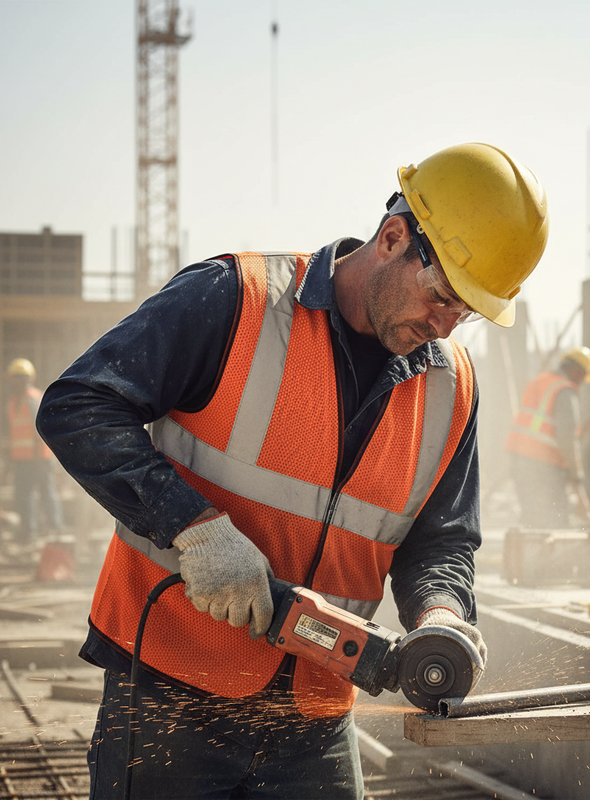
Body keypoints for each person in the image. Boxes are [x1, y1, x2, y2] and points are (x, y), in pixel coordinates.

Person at [36, 142, 549, 800]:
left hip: (315, 714)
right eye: (443, 296)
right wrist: (192, 527)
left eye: (467, 311)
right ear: (394, 238)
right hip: (171, 688)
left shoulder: (454, 386)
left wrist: (442, 619)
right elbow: (79, 406)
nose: (447, 323)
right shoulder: (238, 300)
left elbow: (442, 539)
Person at [504, 346, 590, 530]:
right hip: (544, 465)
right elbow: (567, 436)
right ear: (576, 371)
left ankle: (529, 557)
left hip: (518, 457)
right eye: (582, 376)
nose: (581, 382)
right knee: (555, 519)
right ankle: (550, 559)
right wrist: (576, 472)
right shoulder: (565, 390)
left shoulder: (540, 380)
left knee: (532, 518)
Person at [4, 358, 63, 545]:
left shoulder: (33, 398)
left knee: (44, 493)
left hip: (39, 458)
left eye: (23, 377)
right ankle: (30, 530)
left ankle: (54, 530)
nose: (20, 381)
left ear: (29, 379)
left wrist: (40, 455)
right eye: (16, 377)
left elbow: (40, 428)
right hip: (23, 459)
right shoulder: (14, 402)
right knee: (24, 495)